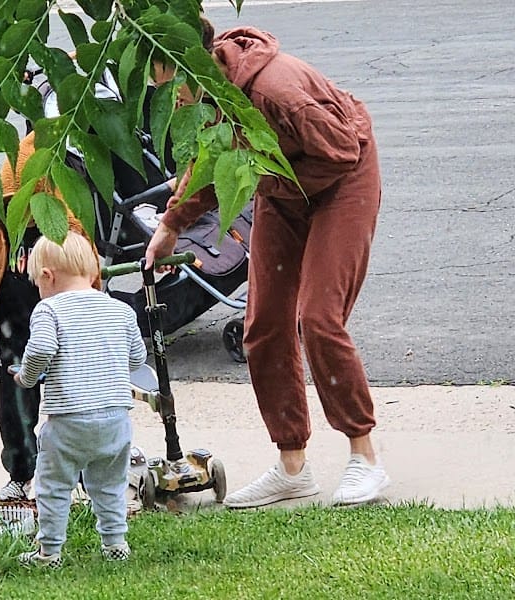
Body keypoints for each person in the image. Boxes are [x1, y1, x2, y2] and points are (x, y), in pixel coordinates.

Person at [146, 19, 389, 507]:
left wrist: (263, 178)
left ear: (192, 64)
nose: (166, 100)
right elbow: (213, 164)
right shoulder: (210, 101)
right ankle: (292, 465)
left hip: (342, 181)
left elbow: (340, 153)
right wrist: (170, 227)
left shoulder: (278, 91)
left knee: (318, 318)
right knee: (263, 325)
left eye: (166, 84)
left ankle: (365, 458)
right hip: (282, 184)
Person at [0, 132, 98, 501]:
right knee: (15, 411)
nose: (20, 211)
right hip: (16, 335)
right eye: (9, 203)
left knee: (75, 408)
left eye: (28, 202)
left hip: (65, 335)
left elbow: (91, 272)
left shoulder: (66, 230)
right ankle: (21, 473)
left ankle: (81, 478)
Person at [13, 231, 147, 567]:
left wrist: (26, 377)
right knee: (110, 484)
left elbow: (42, 349)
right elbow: (137, 359)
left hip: (70, 419)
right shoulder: (121, 310)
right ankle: (116, 544)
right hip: (116, 418)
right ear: (91, 272)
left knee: (54, 486)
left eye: (38, 283)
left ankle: (50, 552)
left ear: (48, 276)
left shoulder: (49, 310)